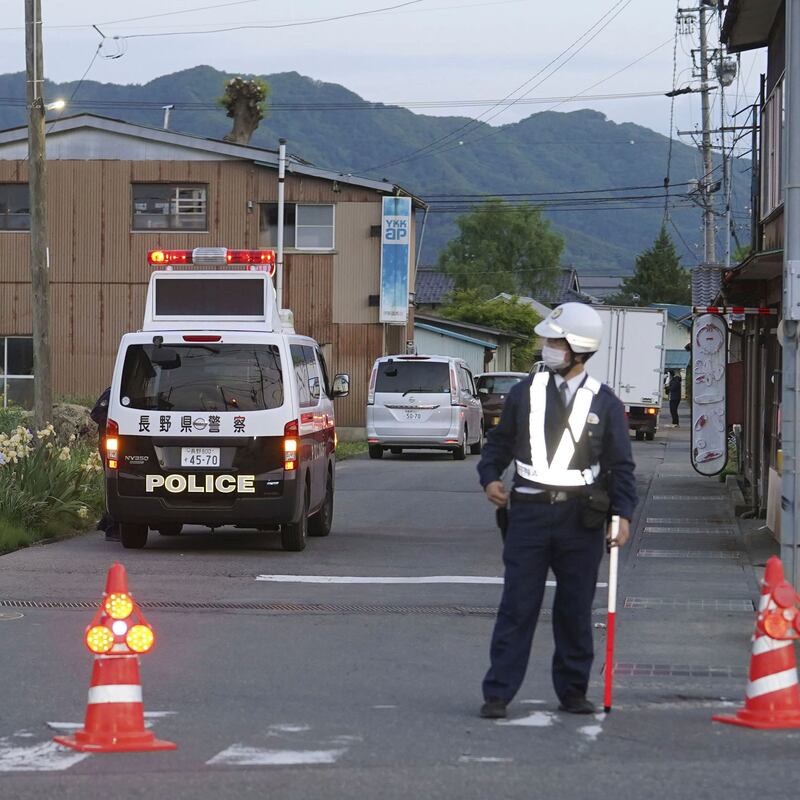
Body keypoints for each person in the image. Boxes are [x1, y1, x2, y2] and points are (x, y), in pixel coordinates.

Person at [477, 302, 637, 718]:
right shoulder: (523, 393)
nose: (545, 346)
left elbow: (621, 466)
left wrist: (622, 515)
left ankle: (572, 690)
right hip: (528, 512)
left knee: (575, 608)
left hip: (581, 519)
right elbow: (498, 443)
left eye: (553, 340)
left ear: (577, 348)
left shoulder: (605, 403)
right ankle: (497, 693)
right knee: (518, 604)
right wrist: (490, 476)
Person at [90, 387, 119, 542]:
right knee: (112, 481)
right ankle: (112, 526)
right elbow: (96, 413)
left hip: (123, 443)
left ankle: (108, 522)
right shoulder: (113, 391)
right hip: (108, 442)